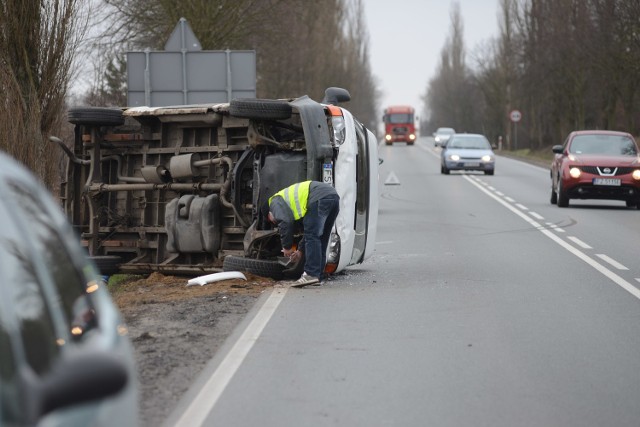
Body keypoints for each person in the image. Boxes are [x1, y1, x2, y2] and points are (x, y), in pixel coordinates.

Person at [262, 180, 340, 286]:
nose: (274, 222)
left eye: (270, 219)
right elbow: (309, 233)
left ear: (269, 213)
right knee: (320, 238)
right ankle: (318, 276)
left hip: (319, 197)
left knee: (313, 236)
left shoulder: (274, 202)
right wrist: (300, 251)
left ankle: (311, 274)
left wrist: (287, 247)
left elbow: (285, 222)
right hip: (333, 197)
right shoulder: (287, 200)